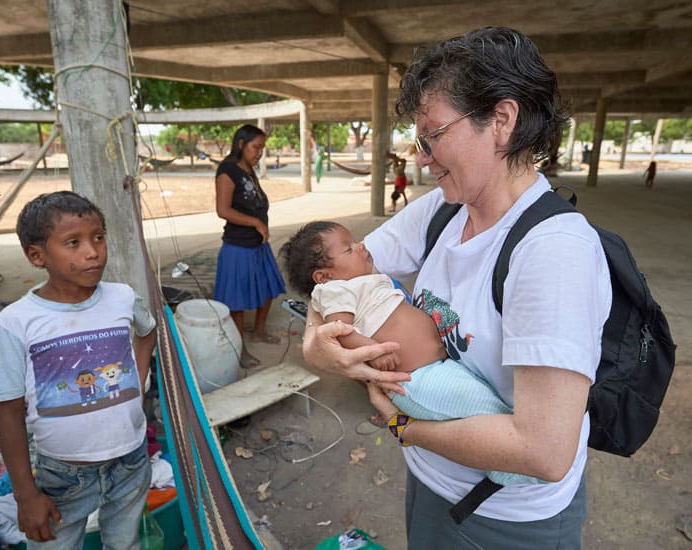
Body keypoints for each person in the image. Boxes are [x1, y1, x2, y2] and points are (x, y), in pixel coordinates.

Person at [301, 26, 611, 549]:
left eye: (433, 135)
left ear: (502, 121)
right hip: (432, 480)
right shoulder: (444, 209)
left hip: (506, 520)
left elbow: (544, 451)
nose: (421, 158)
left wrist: (403, 427)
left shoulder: (554, 253)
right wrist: (316, 345)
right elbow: (338, 277)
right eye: (420, 141)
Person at [279, 220, 541, 487]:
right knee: (483, 405)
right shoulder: (335, 290)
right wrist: (372, 350)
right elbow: (340, 331)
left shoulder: (364, 280)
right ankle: (514, 467)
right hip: (414, 380)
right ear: (323, 277)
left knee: (479, 403)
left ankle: (512, 456)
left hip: (434, 370)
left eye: (355, 242)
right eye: (348, 249)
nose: (360, 246)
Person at [0, 191, 157, 548]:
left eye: (98, 237)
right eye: (73, 243)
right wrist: (25, 495)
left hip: (131, 460)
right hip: (64, 475)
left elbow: (148, 330)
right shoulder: (16, 322)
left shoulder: (121, 297)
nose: (92, 251)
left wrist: (136, 384)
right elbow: (8, 411)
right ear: (37, 255)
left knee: (126, 544)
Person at [213, 124, 287, 368]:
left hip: (258, 245)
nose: (259, 153)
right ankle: (240, 349)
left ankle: (258, 332)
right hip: (238, 247)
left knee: (267, 288)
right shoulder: (227, 171)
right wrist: (255, 221)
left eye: (262, 149)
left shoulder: (248, 170)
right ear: (241, 144)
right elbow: (223, 210)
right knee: (236, 300)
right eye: (256, 147)